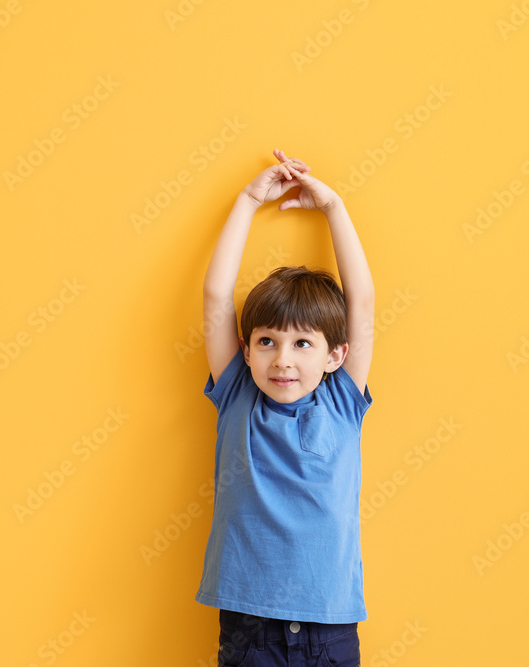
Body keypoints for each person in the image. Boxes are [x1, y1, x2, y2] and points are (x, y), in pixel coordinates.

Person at [197, 149, 375, 667]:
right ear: (247, 348)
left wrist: (334, 208)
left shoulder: (341, 400)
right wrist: (249, 201)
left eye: (303, 345)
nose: (283, 360)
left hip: (330, 626)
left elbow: (361, 302)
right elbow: (214, 297)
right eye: (268, 341)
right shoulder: (236, 395)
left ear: (334, 355)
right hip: (250, 627)